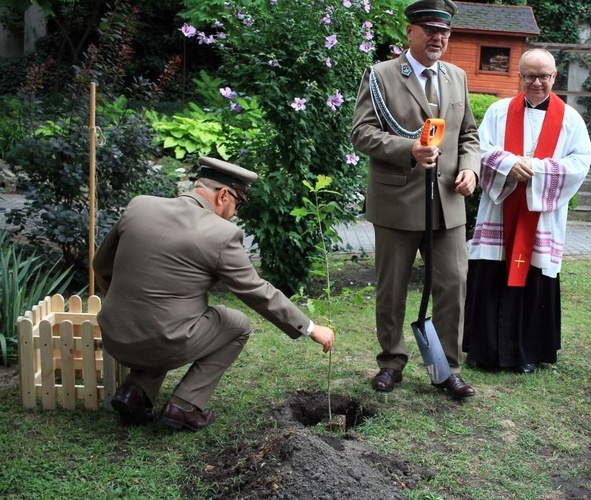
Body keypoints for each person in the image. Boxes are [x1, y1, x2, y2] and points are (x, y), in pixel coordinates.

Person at [93, 157, 335, 430]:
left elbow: (101, 265)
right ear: (223, 195)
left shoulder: (140, 206)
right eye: (237, 205)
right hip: (164, 342)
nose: (234, 214)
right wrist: (311, 328)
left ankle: (135, 392)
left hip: (114, 335)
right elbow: (256, 290)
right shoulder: (221, 233)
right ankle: (184, 406)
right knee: (237, 324)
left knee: (162, 321)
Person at [351, 0, 481, 399]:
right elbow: (362, 133)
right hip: (398, 202)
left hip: (447, 203)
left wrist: (471, 168)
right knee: (392, 288)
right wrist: (409, 148)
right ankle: (391, 363)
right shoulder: (382, 75)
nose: (437, 37)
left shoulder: (457, 77)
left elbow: (470, 135)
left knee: (453, 284)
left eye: (444, 31)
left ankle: (447, 370)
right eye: (428, 28)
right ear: (409, 32)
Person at [463, 49, 591, 374]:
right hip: (499, 211)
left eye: (544, 76)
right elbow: (479, 148)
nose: (537, 83)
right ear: (519, 76)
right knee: (491, 275)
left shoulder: (570, 119)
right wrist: (508, 163)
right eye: (530, 76)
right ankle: (484, 351)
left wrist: (535, 168)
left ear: (554, 77)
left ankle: (527, 353)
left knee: (534, 278)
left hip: (541, 218)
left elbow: (580, 163)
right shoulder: (498, 111)